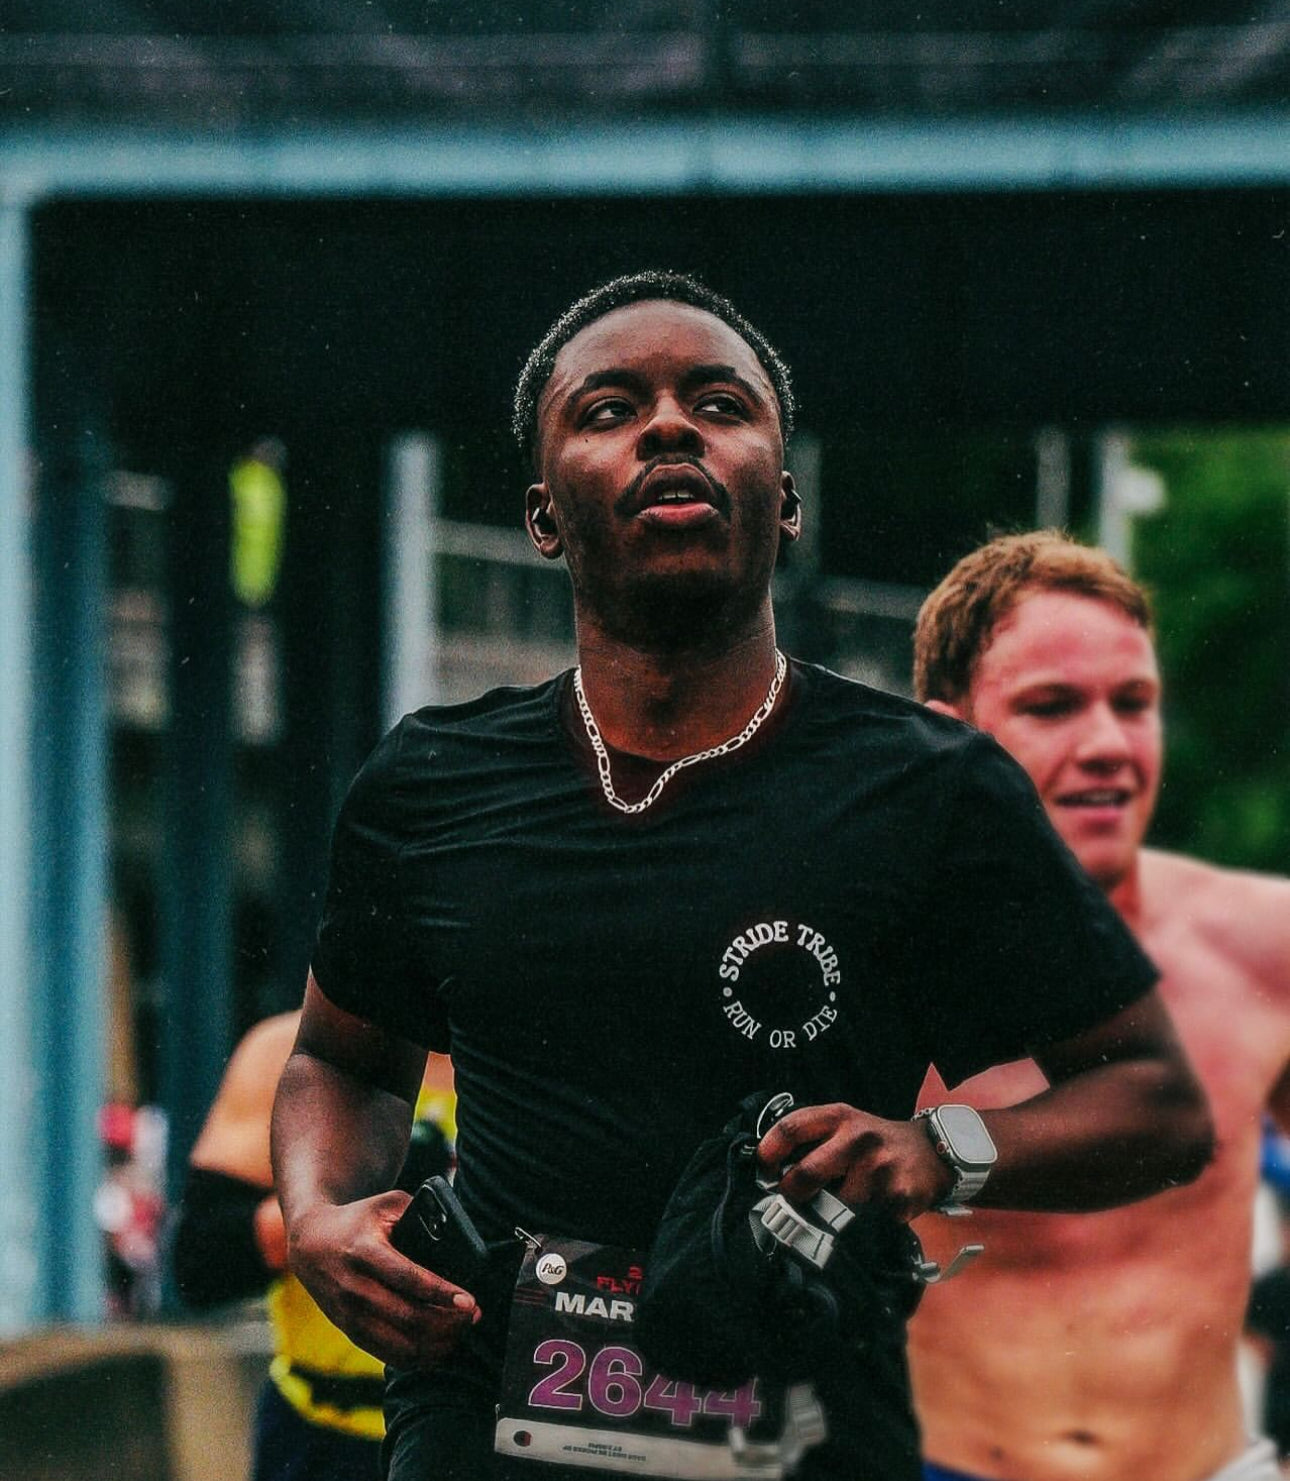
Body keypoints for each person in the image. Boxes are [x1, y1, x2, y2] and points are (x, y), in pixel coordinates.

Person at [270, 271, 1213, 1481]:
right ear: (544, 515)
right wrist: (320, 1215)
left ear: (788, 501)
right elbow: (343, 1061)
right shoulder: (430, 781)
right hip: (483, 1423)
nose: (670, 426)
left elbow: (1157, 1101)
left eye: (719, 404)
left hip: (807, 1427)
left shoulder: (929, 789)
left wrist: (944, 1149)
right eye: (609, 410)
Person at [908, 529, 1290, 1481]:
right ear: (947, 732)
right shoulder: (871, 963)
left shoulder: (1265, 944)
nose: (1110, 745)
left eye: (1134, 702)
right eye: (1053, 705)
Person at [171, 1009, 455, 1481]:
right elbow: (202, 1258)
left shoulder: (549, 1052)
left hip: (485, 1427)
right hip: (323, 1426)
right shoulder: (293, 1048)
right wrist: (351, 1190)